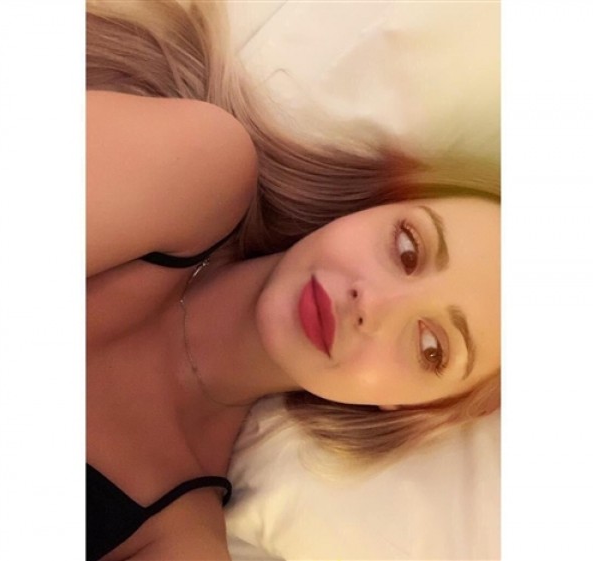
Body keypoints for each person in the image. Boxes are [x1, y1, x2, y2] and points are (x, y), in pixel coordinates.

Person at [86, 1, 500, 559]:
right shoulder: (198, 163)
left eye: (431, 347)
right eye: (408, 248)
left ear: (406, 406)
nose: (373, 304)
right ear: (370, 208)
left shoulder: (179, 540)